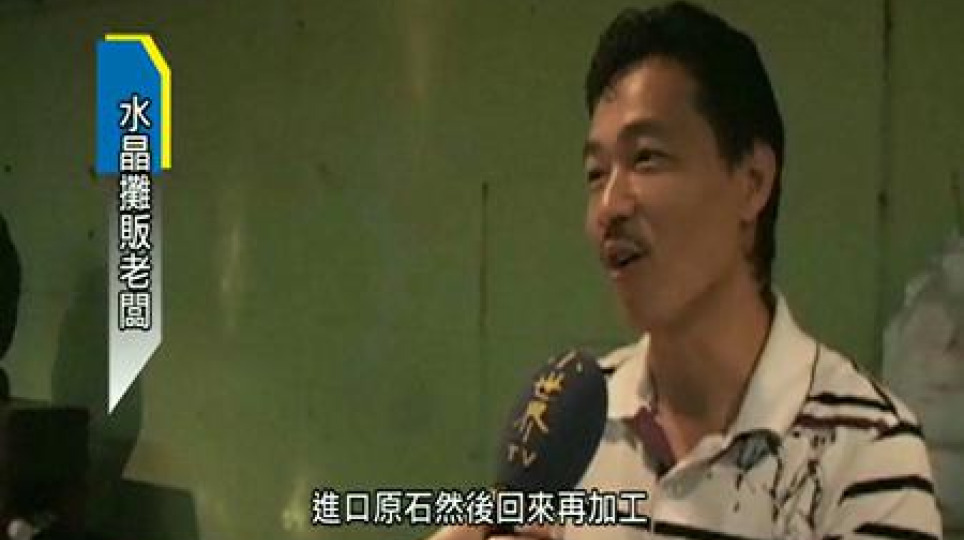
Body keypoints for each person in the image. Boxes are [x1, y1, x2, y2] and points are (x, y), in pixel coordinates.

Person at [430, 2, 942, 539]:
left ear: (752, 181)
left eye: (646, 158)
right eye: (596, 173)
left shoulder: (868, 450)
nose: (609, 206)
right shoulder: (574, 427)